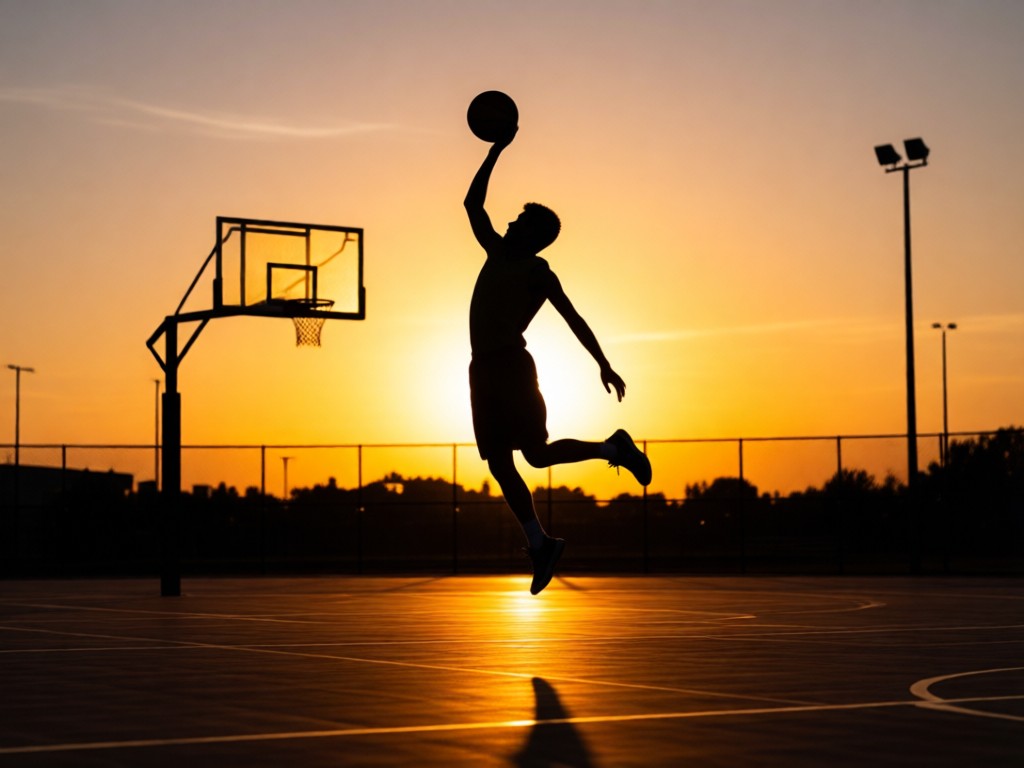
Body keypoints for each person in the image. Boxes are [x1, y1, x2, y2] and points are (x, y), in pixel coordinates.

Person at [464, 125, 652, 595]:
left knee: (535, 455)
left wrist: (602, 363)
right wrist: (495, 151)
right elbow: (472, 205)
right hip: (481, 369)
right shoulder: (497, 250)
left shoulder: (535, 270)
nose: (507, 223)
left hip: (509, 366)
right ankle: (540, 544)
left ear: (534, 235)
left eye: (518, 221)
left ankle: (616, 449)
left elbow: (574, 318)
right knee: (501, 464)